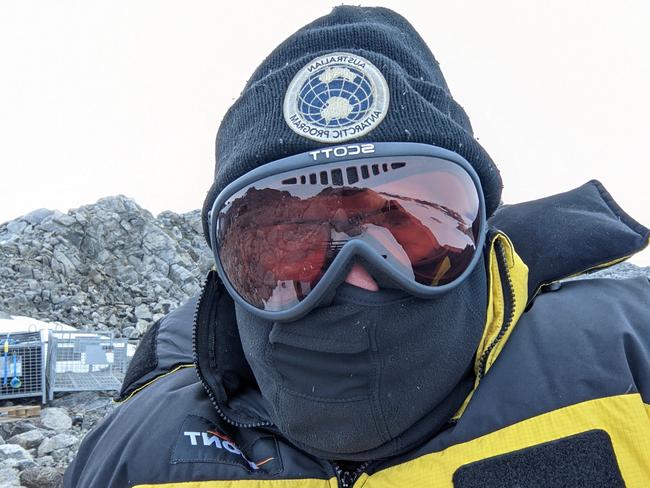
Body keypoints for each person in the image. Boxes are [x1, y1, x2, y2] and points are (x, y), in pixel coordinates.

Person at [64, 6, 650, 487]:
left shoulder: (626, 360)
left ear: (481, 224)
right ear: (228, 263)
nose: (356, 276)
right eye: (293, 242)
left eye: (400, 228)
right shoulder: (137, 459)